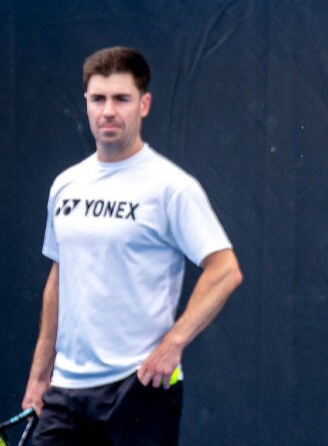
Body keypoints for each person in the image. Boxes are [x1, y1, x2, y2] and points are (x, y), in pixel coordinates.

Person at [21, 46, 243, 445]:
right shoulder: (65, 186)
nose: (108, 111)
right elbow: (59, 277)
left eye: (121, 99)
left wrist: (173, 344)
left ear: (144, 104)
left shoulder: (171, 187)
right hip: (66, 393)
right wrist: (40, 377)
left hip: (139, 389)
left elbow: (225, 269)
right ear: (86, 103)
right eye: (99, 98)